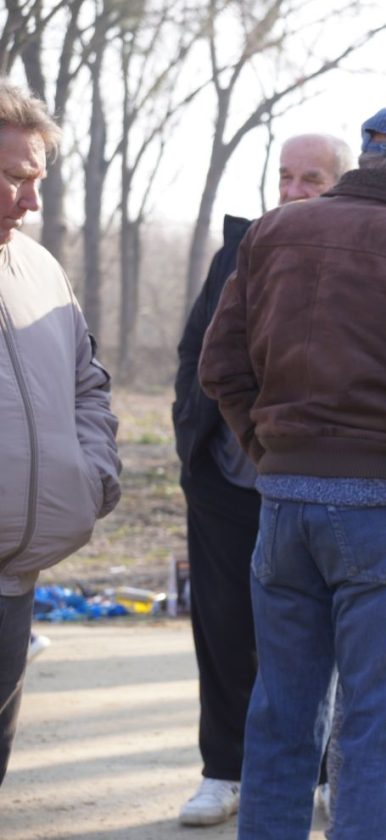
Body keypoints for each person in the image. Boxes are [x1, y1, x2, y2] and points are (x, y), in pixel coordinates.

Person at [199, 107, 386, 839]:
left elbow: (219, 368)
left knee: (280, 716)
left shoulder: (272, 231)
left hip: (287, 505)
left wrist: (276, 460)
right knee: (379, 725)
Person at [172, 132, 353, 826]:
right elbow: (197, 351)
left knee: (324, 635)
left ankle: (331, 775)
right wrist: (196, 435)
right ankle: (224, 771)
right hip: (226, 478)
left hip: (316, 483)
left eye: (311, 177)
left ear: (341, 186)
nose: (293, 190)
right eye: (285, 176)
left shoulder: (359, 260)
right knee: (223, 628)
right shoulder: (239, 251)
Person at [0, 78, 122, 786]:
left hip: (16, 583)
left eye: (37, 179)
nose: (33, 201)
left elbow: (88, 383)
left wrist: (91, 474)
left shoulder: (40, 269)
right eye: (16, 179)